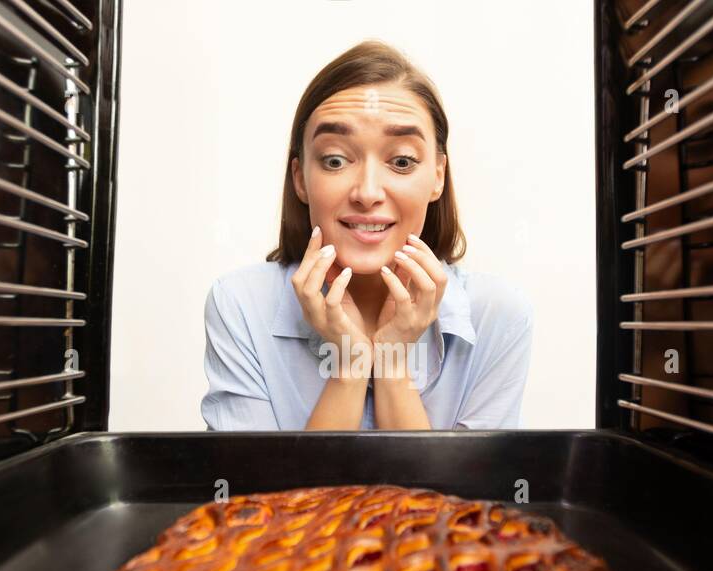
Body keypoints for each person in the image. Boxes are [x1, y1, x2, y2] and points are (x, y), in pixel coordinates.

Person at [201, 40, 533, 431]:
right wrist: (350, 365)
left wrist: (392, 364)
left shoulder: (499, 315)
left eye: (402, 161)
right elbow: (259, 492)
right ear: (300, 180)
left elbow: (456, 494)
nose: (368, 193)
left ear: (437, 177)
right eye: (335, 160)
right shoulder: (239, 305)